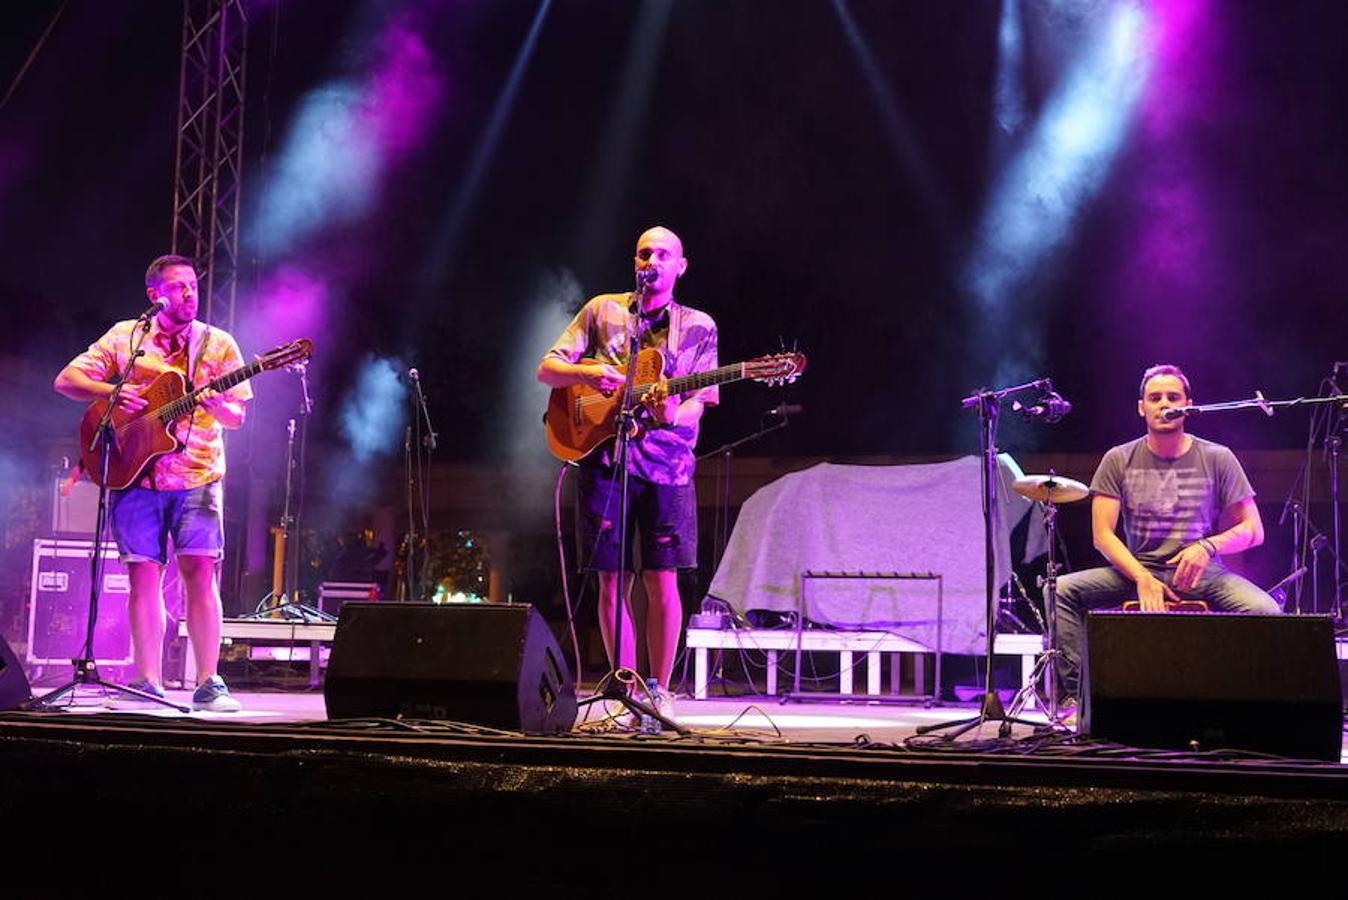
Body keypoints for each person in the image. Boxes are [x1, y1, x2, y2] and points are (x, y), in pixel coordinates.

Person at [55, 254, 252, 712]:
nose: (189, 294)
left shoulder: (218, 344)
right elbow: (66, 379)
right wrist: (111, 391)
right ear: (154, 295)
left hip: (198, 475)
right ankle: (148, 680)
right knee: (142, 575)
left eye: (193, 287)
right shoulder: (128, 336)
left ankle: (209, 682)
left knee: (200, 574)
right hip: (134, 474)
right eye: (178, 287)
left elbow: (238, 415)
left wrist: (219, 406)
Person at [537, 226, 718, 725]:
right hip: (604, 460)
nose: (651, 260)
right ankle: (624, 690)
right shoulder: (602, 311)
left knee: (662, 579)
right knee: (610, 581)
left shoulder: (699, 326)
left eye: (663, 254)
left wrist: (670, 415)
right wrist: (589, 374)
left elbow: (699, 406)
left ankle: (659, 692)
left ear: (681, 266)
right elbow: (548, 368)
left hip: (668, 467)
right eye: (644, 253)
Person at [1054, 364, 1281, 702]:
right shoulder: (1118, 459)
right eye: (1154, 397)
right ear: (1141, 407)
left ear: (1188, 404)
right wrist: (1142, 577)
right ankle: (1076, 700)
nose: (1164, 404)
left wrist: (1206, 546)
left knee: (1266, 613)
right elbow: (1102, 535)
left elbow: (1253, 530)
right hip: (1135, 573)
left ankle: (1238, 700)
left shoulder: (1218, 457)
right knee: (1059, 590)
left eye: (1172, 397)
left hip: (1203, 574)